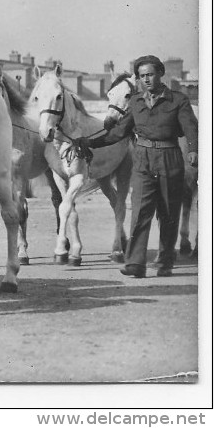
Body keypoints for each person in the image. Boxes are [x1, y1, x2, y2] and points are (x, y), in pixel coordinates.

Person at [78, 55, 198, 278]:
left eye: (150, 74)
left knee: (169, 213)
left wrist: (192, 150)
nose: (147, 80)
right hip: (142, 159)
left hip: (169, 157)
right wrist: (91, 142)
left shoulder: (178, 100)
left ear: (160, 73)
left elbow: (191, 128)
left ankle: (164, 261)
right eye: (142, 76)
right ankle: (136, 262)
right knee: (140, 212)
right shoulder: (136, 102)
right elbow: (118, 132)